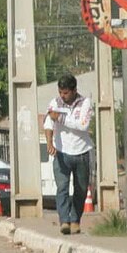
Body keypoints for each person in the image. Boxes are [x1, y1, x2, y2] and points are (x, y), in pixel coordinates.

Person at [44, 74, 94, 235]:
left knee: (80, 189)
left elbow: (83, 126)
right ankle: (64, 221)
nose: (62, 96)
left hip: (81, 152)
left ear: (74, 91)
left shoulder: (84, 103)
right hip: (62, 152)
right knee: (62, 188)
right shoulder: (55, 103)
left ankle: (75, 220)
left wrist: (61, 118)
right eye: (60, 92)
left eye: (66, 93)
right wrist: (50, 143)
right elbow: (48, 123)